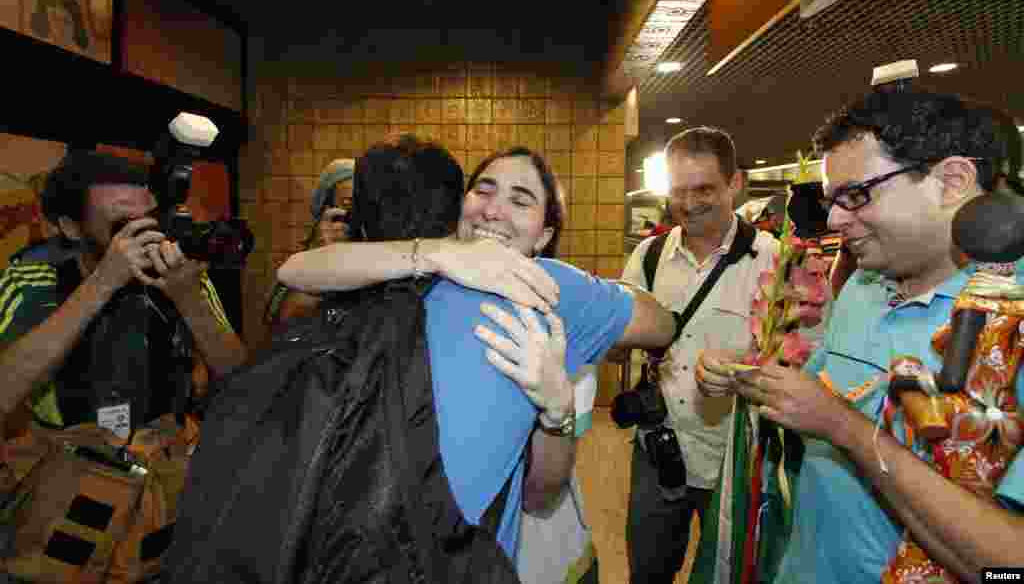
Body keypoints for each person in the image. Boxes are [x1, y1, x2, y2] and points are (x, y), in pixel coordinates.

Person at [277, 142, 680, 563]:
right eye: (483, 191)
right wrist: (441, 254)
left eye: (520, 200)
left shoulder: (549, 285)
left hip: (459, 556)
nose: (493, 210)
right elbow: (295, 270)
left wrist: (606, 304)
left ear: (543, 235)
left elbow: (662, 324)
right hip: (355, 541)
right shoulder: (416, 265)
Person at [698, 90, 1024, 583]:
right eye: (832, 201)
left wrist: (845, 429)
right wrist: (747, 376)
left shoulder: (1011, 327)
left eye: (856, 195)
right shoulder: (864, 287)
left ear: (953, 180)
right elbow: (818, 392)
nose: (834, 220)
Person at [0, 150, 246, 580]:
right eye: (121, 226)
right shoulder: (31, 281)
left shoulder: (181, 275)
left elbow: (244, 383)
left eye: (149, 221)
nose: (144, 237)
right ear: (69, 227)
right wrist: (102, 283)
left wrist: (188, 298)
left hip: (160, 482)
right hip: (63, 483)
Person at [619, 127, 779, 584]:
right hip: (659, 449)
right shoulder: (648, 257)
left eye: (704, 189)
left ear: (735, 183)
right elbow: (617, 346)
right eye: (678, 192)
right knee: (647, 573)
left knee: (729, 574)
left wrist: (743, 377)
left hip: (735, 459)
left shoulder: (775, 260)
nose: (688, 204)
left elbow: (801, 365)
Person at [263, 158, 354, 330]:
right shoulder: (299, 268)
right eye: (348, 204)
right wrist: (325, 257)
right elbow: (280, 325)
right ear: (326, 211)